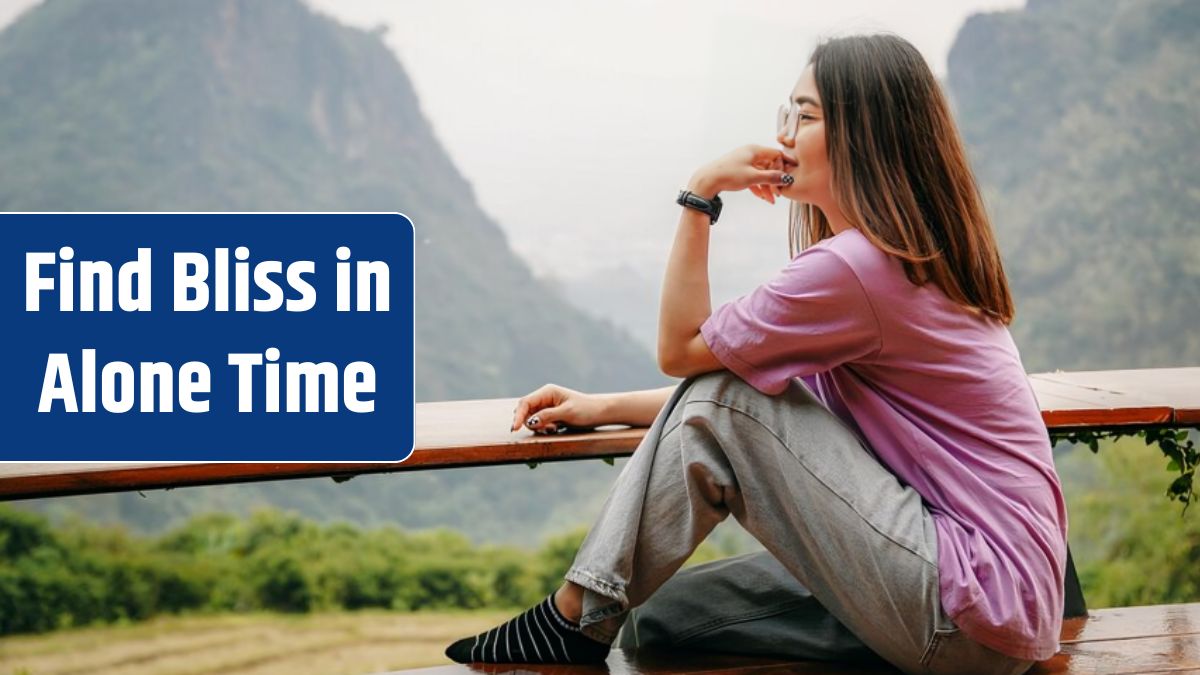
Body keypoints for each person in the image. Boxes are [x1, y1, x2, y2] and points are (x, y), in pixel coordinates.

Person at [444, 33, 1065, 675]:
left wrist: (700, 194)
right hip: (999, 603)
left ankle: (570, 617)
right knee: (659, 618)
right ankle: (593, 614)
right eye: (787, 113)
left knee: (718, 408)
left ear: (867, 133)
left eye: (808, 115)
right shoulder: (904, 256)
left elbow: (687, 355)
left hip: (967, 608)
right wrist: (600, 407)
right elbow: (755, 388)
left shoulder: (856, 268)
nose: (787, 134)